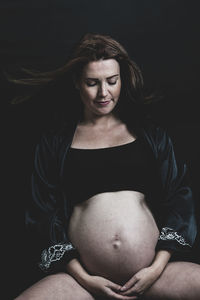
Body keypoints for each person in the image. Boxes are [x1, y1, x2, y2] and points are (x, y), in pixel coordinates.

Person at [13, 33, 200, 300]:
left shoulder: (149, 134)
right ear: (77, 83)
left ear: (122, 79)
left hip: (152, 275)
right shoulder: (55, 142)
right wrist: (85, 278)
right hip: (82, 282)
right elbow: (41, 213)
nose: (104, 93)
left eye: (112, 81)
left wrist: (155, 268)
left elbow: (180, 197)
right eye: (92, 83)